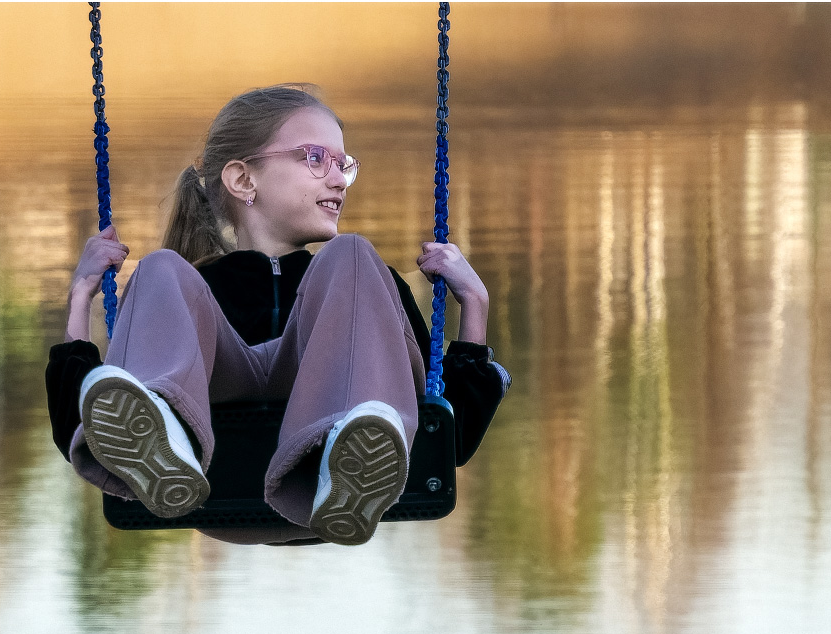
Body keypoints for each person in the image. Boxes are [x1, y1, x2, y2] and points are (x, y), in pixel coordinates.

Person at [46, 84, 508, 546]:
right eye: (315, 158)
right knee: (158, 267)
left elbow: (451, 441)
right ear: (244, 180)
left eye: (343, 165)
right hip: (208, 481)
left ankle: (350, 460)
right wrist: (81, 297)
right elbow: (79, 429)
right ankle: (165, 443)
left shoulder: (357, 288)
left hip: (321, 495)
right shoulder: (187, 295)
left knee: (351, 254)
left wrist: (475, 305)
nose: (337, 180)